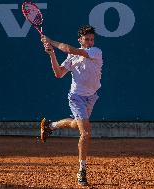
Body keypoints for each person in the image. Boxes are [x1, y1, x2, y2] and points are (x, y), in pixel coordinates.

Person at [40, 25, 103, 186]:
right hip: (76, 97)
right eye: (86, 39)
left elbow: (69, 49)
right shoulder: (72, 58)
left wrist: (51, 41)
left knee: (77, 124)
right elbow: (59, 74)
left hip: (91, 97)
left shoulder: (96, 52)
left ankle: (50, 126)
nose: (90, 42)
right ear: (80, 40)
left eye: (91, 39)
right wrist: (52, 54)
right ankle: (82, 171)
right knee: (86, 133)